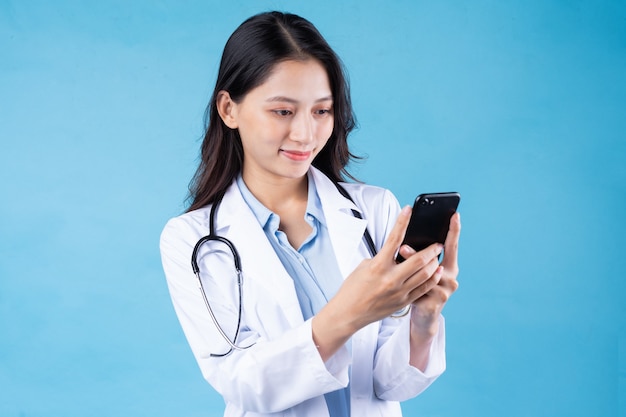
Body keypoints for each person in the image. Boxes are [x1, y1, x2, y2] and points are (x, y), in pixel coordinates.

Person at [160, 11, 461, 417]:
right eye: (283, 111)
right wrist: (348, 314)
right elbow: (243, 384)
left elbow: (390, 385)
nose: (305, 134)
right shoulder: (191, 240)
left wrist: (423, 320)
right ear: (229, 109)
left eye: (321, 111)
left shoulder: (375, 210)